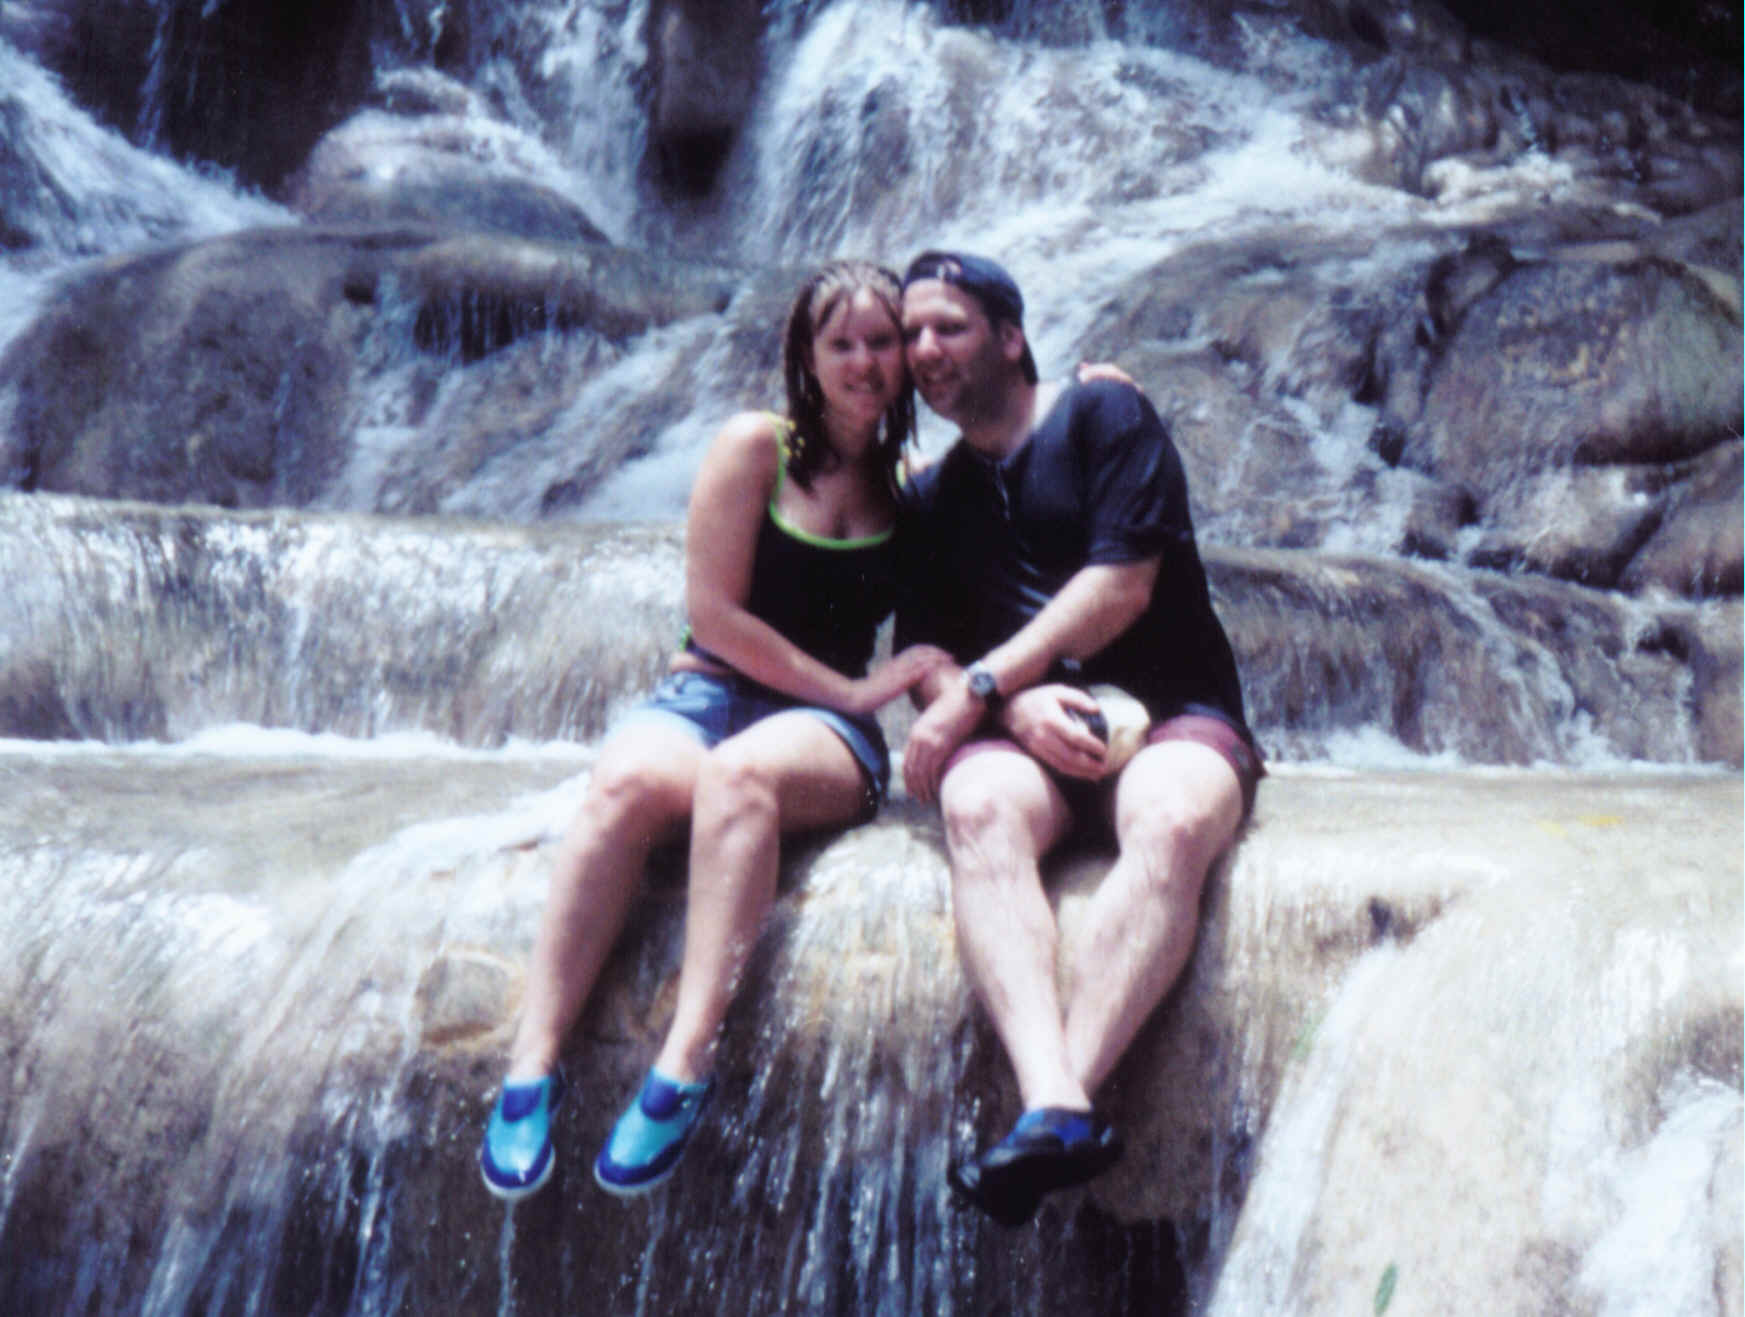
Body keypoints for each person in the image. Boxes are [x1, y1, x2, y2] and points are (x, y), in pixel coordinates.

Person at [478, 260, 953, 1200]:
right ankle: (531, 1060)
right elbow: (718, 614)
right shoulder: (754, 447)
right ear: (806, 358)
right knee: (620, 787)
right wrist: (858, 690)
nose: (865, 361)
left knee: (740, 778)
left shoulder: (913, 493)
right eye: (842, 343)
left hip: (821, 733)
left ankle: (682, 1061)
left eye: (882, 342)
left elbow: (941, 631)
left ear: (906, 358)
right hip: (707, 696)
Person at [894, 251, 1264, 1227]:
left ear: (1009, 337)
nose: (923, 349)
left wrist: (982, 684)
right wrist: (1008, 707)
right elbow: (922, 647)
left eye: (948, 326)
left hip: (1171, 703)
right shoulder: (931, 496)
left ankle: (1057, 1103)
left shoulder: (1106, 416)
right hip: (1032, 738)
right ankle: (1053, 1104)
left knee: (1176, 817)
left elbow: (1119, 588)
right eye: (909, 335)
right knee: (973, 806)